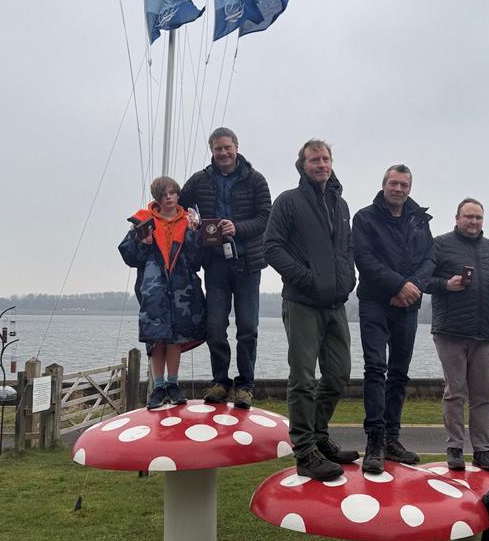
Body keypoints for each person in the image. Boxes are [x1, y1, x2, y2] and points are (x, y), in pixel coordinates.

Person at [264, 139, 358, 480]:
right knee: (303, 379)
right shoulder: (289, 201)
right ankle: (305, 452)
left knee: (338, 374)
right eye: (314, 159)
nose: (321, 164)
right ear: (303, 165)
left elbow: (346, 250)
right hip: (302, 301)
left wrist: (349, 278)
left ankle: (319, 437)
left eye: (325, 158)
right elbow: (271, 248)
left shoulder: (341, 204)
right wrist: (306, 278)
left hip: (336, 302)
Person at [180, 127, 271, 409]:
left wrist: (238, 228)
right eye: (218, 148)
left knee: (247, 327)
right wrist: (190, 217)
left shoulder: (256, 180)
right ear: (212, 150)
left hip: (247, 264)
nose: (223, 153)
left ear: (236, 147)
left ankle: (245, 385)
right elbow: (179, 206)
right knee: (216, 327)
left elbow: (266, 217)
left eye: (227, 147)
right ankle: (220, 381)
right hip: (215, 263)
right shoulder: (199, 180)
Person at [352, 164, 434, 473]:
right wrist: (399, 285)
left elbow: (430, 258)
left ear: (409, 189)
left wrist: (412, 287)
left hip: (408, 306)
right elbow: (364, 258)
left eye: (403, 185)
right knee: (376, 369)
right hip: (375, 302)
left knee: (399, 374)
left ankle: (392, 439)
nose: (398, 189)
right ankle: (375, 440)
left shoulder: (419, 220)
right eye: (393, 183)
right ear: (384, 184)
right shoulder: (364, 218)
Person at [428, 198, 489, 471]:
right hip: (450, 332)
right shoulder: (439, 245)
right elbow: (422, 280)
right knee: (454, 393)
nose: (474, 222)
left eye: (478, 217)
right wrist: (446, 284)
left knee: (482, 395)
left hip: (485, 333)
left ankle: (481, 450)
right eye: (468, 217)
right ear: (456, 218)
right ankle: (454, 447)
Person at [119, 176, 206, 408]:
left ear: (178, 195)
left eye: (172, 193)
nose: (168, 198)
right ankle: (158, 387)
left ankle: (173, 384)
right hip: (153, 290)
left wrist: (194, 234)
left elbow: (196, 259)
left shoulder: (189, 220)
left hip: (181, 289)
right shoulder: (142, 221)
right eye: (163, 194)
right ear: (156, 198)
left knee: (175, 338)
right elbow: (129, 257)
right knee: (156, 339)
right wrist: (143, 242)